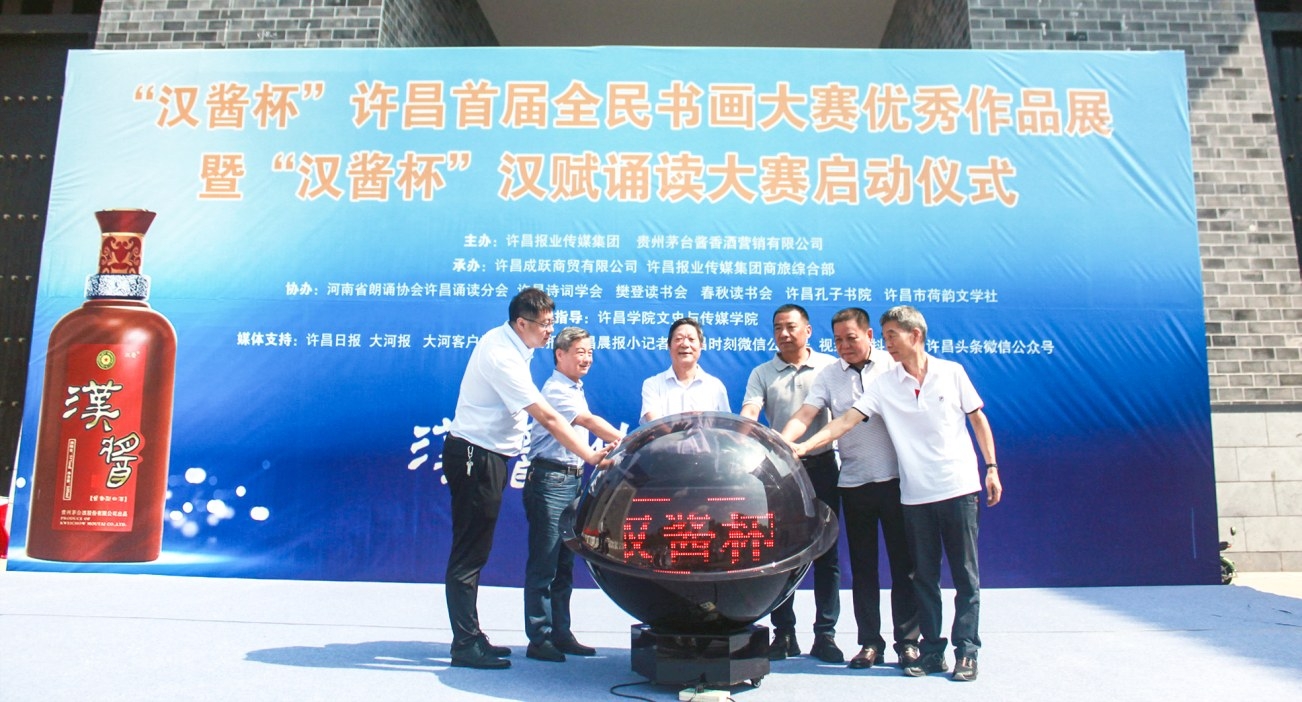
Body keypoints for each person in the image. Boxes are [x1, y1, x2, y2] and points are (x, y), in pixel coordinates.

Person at [793, 305, 1002, 682]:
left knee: (958, 575)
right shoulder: (885, 384)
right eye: (838, 340)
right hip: (902, 493)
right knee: (915, 576)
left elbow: (977, 418)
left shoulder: (946, 372)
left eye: (892, 335)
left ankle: (956, 650)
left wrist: (991, 467)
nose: (887, 343)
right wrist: (804, 446)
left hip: (945, 487)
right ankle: (918, 649)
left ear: (913, 335)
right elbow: (845, 421)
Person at [441, 288, 613, 670]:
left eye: (552, 322)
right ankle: (465, 643)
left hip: (491, 455)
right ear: (522, 323)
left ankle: (472, 636)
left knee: (479, 550)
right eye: (545, 324)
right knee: (470, 552)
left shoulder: (516, 346)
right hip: (474, 454)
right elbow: (549, 417)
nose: (550, 331)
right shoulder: (502, 355)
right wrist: (590, 456)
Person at [780, 307, 920, 669]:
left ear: (870, 335)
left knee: (904, 566)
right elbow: (806, 415)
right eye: (838, 340)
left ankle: (908, 642)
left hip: (898, 482)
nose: (844, 346)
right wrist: (783, 443)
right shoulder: (829, 375)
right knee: (863, 568)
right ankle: (870, 642)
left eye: (851, 338)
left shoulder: (892, 366)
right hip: (854, 483)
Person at [739, 304, 841, 662]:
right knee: (780, 553)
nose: (784, 334)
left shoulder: (830, 367)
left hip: (823, 466)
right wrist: (745, 431)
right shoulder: (762, 372)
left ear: (808, 330)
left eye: (791, 327)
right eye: (778, 328)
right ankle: (784, 634)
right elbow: (751, 410)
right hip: (780, 472)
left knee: (826, 554)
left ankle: (825, 635)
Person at [522, 327, 624, 663]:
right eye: (580, 352)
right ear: (560, 354)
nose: (587, 358)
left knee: (564, 564)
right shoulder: (556, 389)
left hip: (571, 481)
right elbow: (589, 422)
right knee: (545, 563)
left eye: (590, 352)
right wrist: (630, 443)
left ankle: (561, 633)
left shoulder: (574, 388)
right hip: (550, 481)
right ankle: (539, 638)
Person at [640, 317, 730, 422]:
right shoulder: (653, 385)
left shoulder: (715, 387)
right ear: (669, 346)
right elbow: (655, 423)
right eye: (678, 339)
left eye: (691, 339)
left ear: (701, 346)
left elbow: (725, 426)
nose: (685, 344)